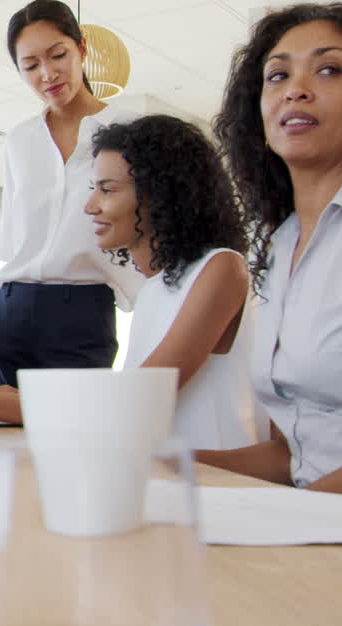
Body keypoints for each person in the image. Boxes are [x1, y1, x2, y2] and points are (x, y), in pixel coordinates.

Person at [199, 3, 342, 508]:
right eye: (277, 75)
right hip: (326, 518)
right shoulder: (280, 242)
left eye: (329, 69)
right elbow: (299, 460)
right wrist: (172, 464)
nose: (295, 89)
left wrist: (274, 520)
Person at [0, 0, 143, 388]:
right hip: (11, 306)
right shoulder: (20, 139)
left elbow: (143, 224)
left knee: (77, 428)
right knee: (9, 432)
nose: (48, 74)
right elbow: (12, 226)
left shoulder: (128, 131)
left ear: (81, 48)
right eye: (31, 65)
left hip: (82, 305)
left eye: (58, 55)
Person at [86, 115, 252, 450]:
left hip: (216, 487)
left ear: (161, 194)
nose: (91, 207)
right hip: (163, 478)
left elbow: (139, 395)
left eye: (107, 190)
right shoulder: (153, 288)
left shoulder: (221, 267)